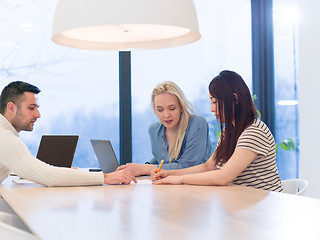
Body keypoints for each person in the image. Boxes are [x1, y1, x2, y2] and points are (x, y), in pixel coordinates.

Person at [152, 71, 283, 192]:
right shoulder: (229, 131)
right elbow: (208, 167)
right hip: (242, 201)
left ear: (235, 100)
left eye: (215, 102)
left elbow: (223, 177)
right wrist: (169, 174)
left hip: (264, 207)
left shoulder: (254, 132)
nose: (212, 109)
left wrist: (179, 180)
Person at [0, 81, 136, 187]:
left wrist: (65, 173)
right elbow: (48, 176)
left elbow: (32, 168)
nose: (38, 115)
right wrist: (106, 177)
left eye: (37, 108)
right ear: (11, 107)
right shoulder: (5, 137)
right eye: (31, 108)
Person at [117, 81, 212, 176]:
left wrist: (144, 169)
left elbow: (188, 166)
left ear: (181, 107)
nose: (166, 115)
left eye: (172, 108)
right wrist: (138, 169)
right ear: (155, 109)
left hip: (198, 187)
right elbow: (160, 160)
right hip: (168, 186)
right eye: (160, 110)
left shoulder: (197, 123)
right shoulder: (154, 130)